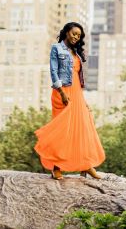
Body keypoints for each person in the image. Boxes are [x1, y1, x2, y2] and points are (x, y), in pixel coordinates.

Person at [34, 22, 105, 180]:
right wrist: (61, 93)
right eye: (74, 33)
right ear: (66, 32)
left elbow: (77, 78)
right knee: (63, 131)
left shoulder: (76, 52)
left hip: (77, 94)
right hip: (62, 93)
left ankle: (86, 166)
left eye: (79, 36)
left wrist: (83, 101)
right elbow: (53, 71)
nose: (76, 37)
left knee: (82, 129)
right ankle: (56, 167)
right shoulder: (56, 48)